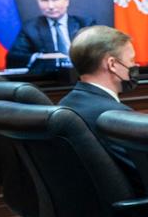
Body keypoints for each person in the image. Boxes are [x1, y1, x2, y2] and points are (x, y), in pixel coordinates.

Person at [59, 25, 140, 173]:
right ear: (112, 64)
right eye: (132, 60)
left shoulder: (64, 104)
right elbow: (146, 174)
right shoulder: (116, 116)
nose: (134, 66)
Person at [6, 0, 96, 72]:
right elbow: (14, 58)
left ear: (66, 1)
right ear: (38, 3)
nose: (51, 6)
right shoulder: (30, 28)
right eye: (44, 0)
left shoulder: (85, 24)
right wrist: (40, 57)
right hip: (47, 79)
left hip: (82, 75)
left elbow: (98, 53)